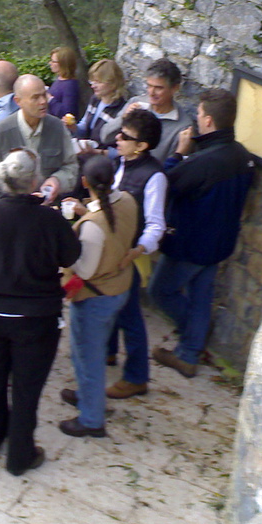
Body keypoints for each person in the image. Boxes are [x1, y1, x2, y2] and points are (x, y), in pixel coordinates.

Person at [0, 148, 81, 475]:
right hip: (36, 321)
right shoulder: (49, 219)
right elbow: (71, 256)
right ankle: (20, 455)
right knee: (26, 388)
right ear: (35, 180)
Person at [150, 88, 254, 378]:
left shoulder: (202, 162)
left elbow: (165, 184)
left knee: (160, 291)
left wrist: (178, 154)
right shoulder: (242, 155)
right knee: (200, 296)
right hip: (221, 243)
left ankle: (194, 335)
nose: (195, 119)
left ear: (208, 121)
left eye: (198, 114)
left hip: (191, 245)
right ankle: (188, 354)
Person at [59, 156, 137, 438]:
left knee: (88, 356)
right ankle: (87, 396)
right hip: (119, 287)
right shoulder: (127, 201)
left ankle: (92, 419)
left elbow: (87, 270)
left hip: (95, 296)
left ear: (84, 183)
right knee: (91, 350)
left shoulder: (93, 224)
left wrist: (66, 257)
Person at [105, 109, 167, 399]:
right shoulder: (120, 163)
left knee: (129, 315)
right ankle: (107, 352)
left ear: (142, 145)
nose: (117, 138)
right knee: (110, 302)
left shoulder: (154, 177)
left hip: (129, 255)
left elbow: (156, 225)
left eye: (125, 136)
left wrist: (136, 251)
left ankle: (137, 376)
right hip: (112, 249)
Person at [0, 74, 79, 209]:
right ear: (18, 101)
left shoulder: (59, 128)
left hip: (46, 218)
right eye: (35, 97)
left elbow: (71, 167)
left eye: (44, 95)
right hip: (8, 220)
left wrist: (58, 180)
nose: (43, 101)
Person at [100, 58, 193, 162]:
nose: (151, 92)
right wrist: (123, 118)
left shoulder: (182, 127)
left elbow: (171, 168)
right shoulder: (136, 102)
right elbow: (105, 137)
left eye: (158, 88)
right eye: (149, 86)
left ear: (174, 88)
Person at [75, 59, 128, 148]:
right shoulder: (95, 100)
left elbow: (115, 146)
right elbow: (84, 127)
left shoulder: (120, 109)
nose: (93, 86)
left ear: (113, 83)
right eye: (92, 81)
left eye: (98, 82)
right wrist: (73, 127)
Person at [47, 46, 81, 120]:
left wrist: (50, 99)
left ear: (63, 64)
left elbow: (67, 114)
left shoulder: (70, 86)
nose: (50, 63)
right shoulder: (59, 80)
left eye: (53, 61)